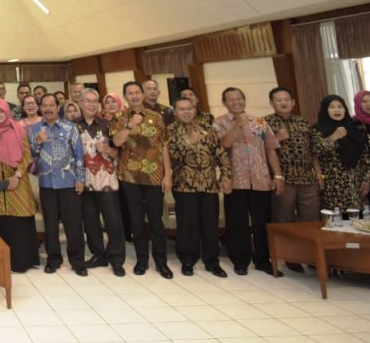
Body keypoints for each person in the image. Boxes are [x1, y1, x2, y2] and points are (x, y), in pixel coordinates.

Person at [214, 87, 283, 276]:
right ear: (225, 103)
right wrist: (238, 125)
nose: (236, 102)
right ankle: (240, 260)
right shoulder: (219, 123)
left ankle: (263, 260)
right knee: (237, 223)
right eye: (231, 100)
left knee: (262, 222)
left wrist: (277, 175)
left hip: (260, 179)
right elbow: (224, 144)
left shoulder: (260, 122)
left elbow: (270, 148)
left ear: (244, 100)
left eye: (239, 99)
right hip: (235, 180)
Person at [110, 82, 173, 279]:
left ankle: (161, 261)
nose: (135, 96)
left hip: (154, 175)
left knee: (156, 220)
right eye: (131, 93)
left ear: (143, 94)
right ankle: (142, 260)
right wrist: (130, 124)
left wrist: (168, 174)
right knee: (137, 222)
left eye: (138, 92)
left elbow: (164, 146)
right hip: (129, 175)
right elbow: (117, 142)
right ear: (126, 97)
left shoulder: (157, 117)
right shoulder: (120, 117)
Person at [264, 87, 334, 253]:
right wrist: (277, 139)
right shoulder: (264, 123)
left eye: (286, 99)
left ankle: (310, 254)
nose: (283, 103)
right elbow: (261, 150)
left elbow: (312, 151)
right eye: (279, 100)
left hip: (307, 178)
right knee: (283, 218)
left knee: (310, 219)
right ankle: (287, 255)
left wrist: (318, 174)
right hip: (284, 179)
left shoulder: (303, 122)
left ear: (293, 102)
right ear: (271, 103)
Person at [169, 98, 231, 278]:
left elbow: (220, 153)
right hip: (184, 186)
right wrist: (188, 142)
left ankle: (212, 261)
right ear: (175, 112)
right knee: (188, 226)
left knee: (210, 225)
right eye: (182, 109)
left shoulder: (207, 129)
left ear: (195, 110)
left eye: (189, 108)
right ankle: (187, 260)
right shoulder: (170, 131)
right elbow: (171, 157)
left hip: (209, 185)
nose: (186, 112)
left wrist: (226, 175)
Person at [27, 95, 86, 276]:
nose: (48, 109)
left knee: (73, 224)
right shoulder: (35, 129)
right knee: (50, 224)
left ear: (57, 106)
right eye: (44, 106)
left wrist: (80, 179)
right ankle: (53, 259)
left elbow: (78, 154)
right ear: (40, 108)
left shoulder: (70, 127)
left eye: (51, 105)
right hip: (46, 183)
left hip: (68, 182)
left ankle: (77, 261)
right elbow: (32, 155)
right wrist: (38, 142)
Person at [0, 99, 38, 273]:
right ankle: (3, 263)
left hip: (17, 181)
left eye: (1, 111)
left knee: (19, 220)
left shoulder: (18, 129)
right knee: (1, 222)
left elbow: (27, 155)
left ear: (7, 112)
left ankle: (22, 262)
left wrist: (17, 176)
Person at [74, 89, 125, 276]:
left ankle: (117, 259)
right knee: (91, 221)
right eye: (87, 101)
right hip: (84, 181)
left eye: (95, 101)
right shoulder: (72, 126)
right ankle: (98, 255)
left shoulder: (108, 124)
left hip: (107, 180)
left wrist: (106, 150)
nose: (91, 104)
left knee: (113, 221)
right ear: (79, 103)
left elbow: (118, 152)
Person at [314, 95, 370, 217]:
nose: (337, 110)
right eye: (332, 107)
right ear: (325, 110)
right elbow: (316, 151)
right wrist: (333, 138)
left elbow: (365, 156)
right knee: (337, 223)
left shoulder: (354, 128)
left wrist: (367, 179)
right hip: (333, 185)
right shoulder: (317, 130)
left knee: (359, 221)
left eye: (340, 107)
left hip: (356, 184)